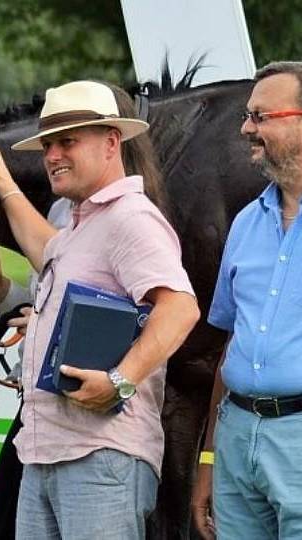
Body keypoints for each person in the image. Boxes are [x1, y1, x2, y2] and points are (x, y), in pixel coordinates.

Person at [0, 79, 200, 539]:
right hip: (49, 452)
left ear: (112, 143)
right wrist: (3, 182)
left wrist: (120, 381)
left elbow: (180, 308)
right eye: (47, 145)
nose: (53, 155)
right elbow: (46, 249)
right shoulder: (81, 226)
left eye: (68, 142)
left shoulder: (131, 218)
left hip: (100, 458)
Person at [191, 61, 302, 540]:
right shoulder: (244, 223)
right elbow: (230, 346)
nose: (245, 129)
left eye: (260, 116)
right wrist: (209, 458)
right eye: (247, 115)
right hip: (236, 437)